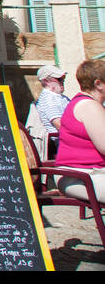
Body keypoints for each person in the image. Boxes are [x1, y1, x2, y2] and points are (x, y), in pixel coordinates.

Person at [53, 59, 105, 201]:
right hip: (80, 178)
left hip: (88, 174)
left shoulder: (86, 103)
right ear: (98, 84)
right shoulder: (89, 107)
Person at [35, 64, 72, 132]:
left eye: (63, 78)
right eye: (59, 79)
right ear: (46, 81)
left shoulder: (59, 97)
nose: (63, 81)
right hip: (63, 139)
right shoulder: (48, 99)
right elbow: (60, 125)